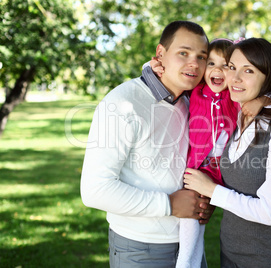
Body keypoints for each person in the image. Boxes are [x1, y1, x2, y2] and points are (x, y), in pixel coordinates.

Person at [80, 21, 214, 268]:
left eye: (201, 56)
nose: (194, 63)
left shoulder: (192, 101)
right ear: (161, 54)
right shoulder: (122, 103)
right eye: (183, 53)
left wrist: (205, 201)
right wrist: (170, 204)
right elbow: (94, 190)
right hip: (140, 249)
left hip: (190, 244)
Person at [183, 37, 271, 267]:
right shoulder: (241, 112)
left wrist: (212, 190)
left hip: (264, 257)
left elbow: (270, 212)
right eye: (232, 67)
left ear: (268, 75)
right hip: (229, 253)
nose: (234, 78)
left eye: (248, 70)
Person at [150, 38, 271, 268]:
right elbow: (173, 75)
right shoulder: (196, 92)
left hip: (222, 171)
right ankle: (187, 263)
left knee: (197, 216)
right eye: (210, 63)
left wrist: (260, 101)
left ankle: (187, 263)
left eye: (225, 65)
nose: (217, 70)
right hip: (198, 168)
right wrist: (152, 66)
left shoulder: (234, 97)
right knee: (193, 220)